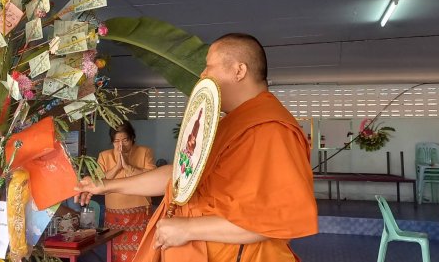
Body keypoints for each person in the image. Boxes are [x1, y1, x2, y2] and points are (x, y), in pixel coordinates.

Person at [77, 33, 318, 262]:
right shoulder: (226, 125)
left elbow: (275, 217)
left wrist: (189, 228)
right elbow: (180, 176)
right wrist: (105, 185)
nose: (202, 74)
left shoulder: (270, 129)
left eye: (209, 66)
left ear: (239, 70)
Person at [97, 120, 157, 262]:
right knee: (115, 254)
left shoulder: (145, 152)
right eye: (116, 141)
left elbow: (152, 178)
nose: (121, 145)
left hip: (140, 215)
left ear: (132, 138)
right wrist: (117, 167)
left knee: (142, 254)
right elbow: (98, 183)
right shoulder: (104, 156)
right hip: (114, 216)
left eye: (125, 140)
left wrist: (128, 167)